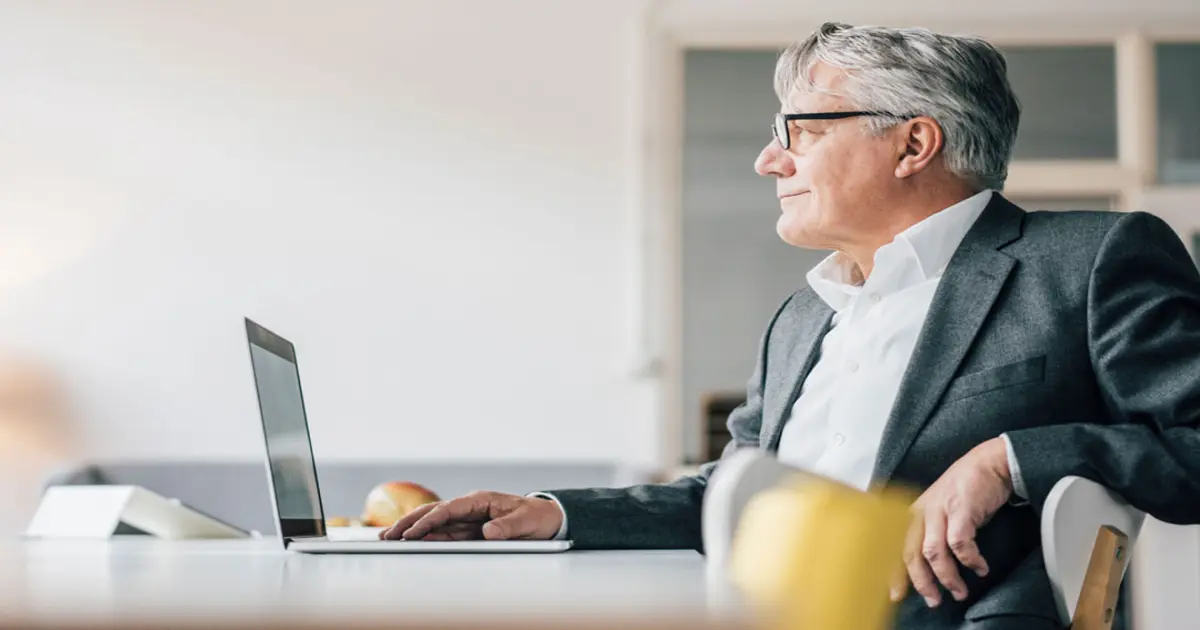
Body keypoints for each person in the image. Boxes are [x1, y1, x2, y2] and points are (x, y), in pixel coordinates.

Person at [381, 22, 1200, 630]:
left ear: (914, 142)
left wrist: (1010, 459)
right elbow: (732, 495)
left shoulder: (1089, 259)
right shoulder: (804, 315)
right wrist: (551, 514)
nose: (769, 161)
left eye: (798, 131)